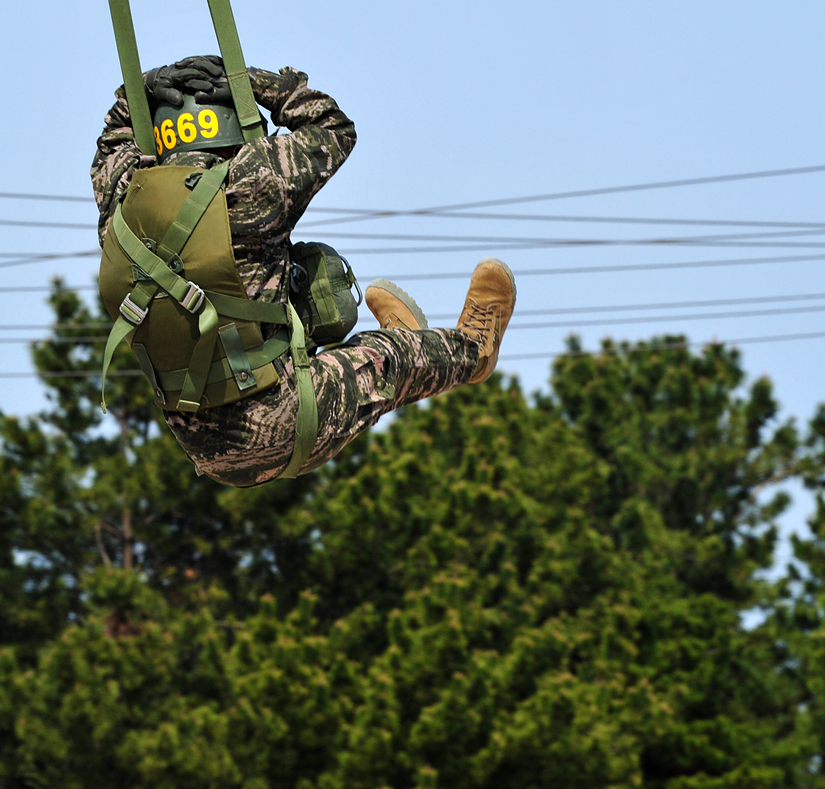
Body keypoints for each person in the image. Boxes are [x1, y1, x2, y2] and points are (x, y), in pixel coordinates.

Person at [91, 56, 517, 488]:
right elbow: (334, 128)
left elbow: (112, 143)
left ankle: (402, 339)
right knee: (390, 363)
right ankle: (473, 353)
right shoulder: (252, 179)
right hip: (286, 425)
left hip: (199, 446)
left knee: (292, 321)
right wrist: (254, 82)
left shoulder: (122, 208)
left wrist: (138, 94)